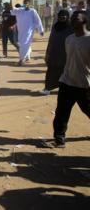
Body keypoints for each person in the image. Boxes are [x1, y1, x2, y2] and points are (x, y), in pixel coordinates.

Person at [46, 11, 90, 148]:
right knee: (61, 113)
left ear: (84, 21)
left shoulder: (89, 40)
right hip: (66, 81)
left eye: (76, 18)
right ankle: (59, 140)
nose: (72, 20)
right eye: (72, 18)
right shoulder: (69, 39)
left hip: (84, 85)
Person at [40, 10, 73, 96]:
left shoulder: (71, 28)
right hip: (54, 54)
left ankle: (65, 90)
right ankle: (47, 88)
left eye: (64, 16)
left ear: (68, 17)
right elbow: (51, 40)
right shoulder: (55, 26)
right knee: (51, 71)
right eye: (61, 16)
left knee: (66, 73)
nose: (62, 17)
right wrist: (47, 53)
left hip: (66, 54)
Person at [10, 0, 44, 65]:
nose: (26, 4)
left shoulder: (33, 11)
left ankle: (21, 60)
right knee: (25, 44)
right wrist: (11, 0)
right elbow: (13, 9)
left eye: (27, 3)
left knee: (24, 44)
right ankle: (27, 56)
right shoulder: (20, 10)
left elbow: (38, 21)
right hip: (21, 31)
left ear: (30, 4)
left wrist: (41, 30)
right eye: (24, 3)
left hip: (29, 31)